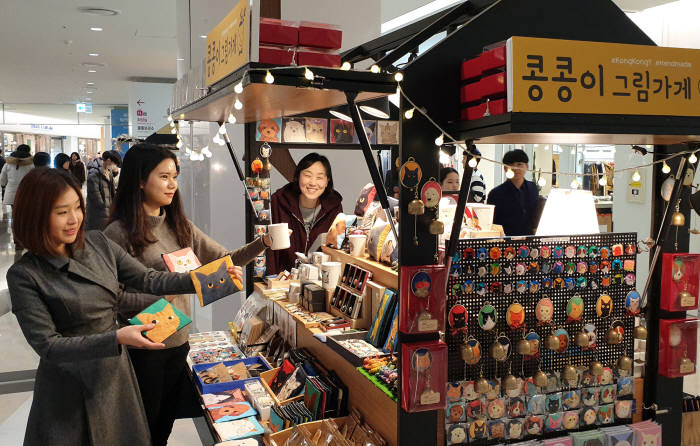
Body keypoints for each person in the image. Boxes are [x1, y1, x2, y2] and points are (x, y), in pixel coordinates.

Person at [6, 168, 239, 445]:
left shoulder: (97, 243)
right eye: (61, 212)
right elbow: (48, 346)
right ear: (35, 215)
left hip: (113, 377)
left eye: (77, 207)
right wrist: (115, 337)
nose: (74, 220)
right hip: (69, 387)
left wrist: (208, 280)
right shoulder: (25, 275)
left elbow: (147, 278)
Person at [103, 143, 266, 446]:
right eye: (163, 176)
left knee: (164, 424)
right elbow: (113, 298)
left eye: (175, 176)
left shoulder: (179, 225)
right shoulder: (117, 233)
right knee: (142, 430)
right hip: (143, 346)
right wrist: (167, 297)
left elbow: (223, 259)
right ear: (140, 179)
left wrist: (261, 244)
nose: (172, 185)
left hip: (179, 341)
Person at [268, 152, 342, 274]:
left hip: (318, 281)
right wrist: (271, 280)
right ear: (298, 176)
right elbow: (270, 248)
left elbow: (336, 248)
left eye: (319, 177)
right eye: (307, 175)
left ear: (327, 181)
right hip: (282, 281)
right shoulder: (279, 201)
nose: (313, 183)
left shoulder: (334, 207)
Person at [487, 149, 539, 236]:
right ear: (505, 168)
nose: (515, 168)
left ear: (527, 166)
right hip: (506, 241)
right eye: (511, 165)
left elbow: (535, 215)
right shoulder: (496, 193)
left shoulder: (533, 188)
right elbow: (493, 222)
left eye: (519, 164)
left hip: (529, 239)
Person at [1, 144, 34, 259]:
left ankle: (18, 242)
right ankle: (26, 239)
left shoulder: (8, 163)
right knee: (26, 217)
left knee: (15, 217)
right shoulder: (31, 164)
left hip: (11, 195)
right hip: (26, 194)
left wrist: (5, 185)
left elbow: (2, 180)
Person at [86, 150, 121, 230]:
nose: (115, 166)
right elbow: (97, 200)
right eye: (115, 164)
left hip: (107, 215)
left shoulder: (109, 174)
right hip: (97, 216)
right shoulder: (93, 175)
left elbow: (112, 194)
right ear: (108, 161)